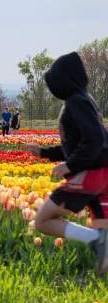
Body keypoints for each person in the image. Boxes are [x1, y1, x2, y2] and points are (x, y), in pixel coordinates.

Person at [23, 52, 108, 273]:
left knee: (42, 221)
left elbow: (94, 140)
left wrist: (69, 166)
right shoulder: (85, 100)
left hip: (89, 175)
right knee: (105, 235)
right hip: (102, 174)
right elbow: (80, 143)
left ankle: (94, 239)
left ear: (65, 79)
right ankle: (102, 269)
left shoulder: (75, 102)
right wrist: (44, 153)